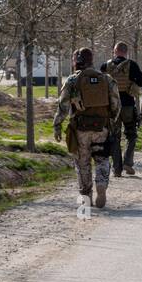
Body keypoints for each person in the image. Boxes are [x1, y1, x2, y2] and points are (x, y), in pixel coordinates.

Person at [53, 47, 121, 209]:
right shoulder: (106, 79)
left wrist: (57, 125)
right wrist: (110, 121)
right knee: (102, 159)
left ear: (75, 62)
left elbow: (62, 106)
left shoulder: (71, 81)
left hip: (80, 129)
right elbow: (116, 104)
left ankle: (86, 194)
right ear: (91, 60)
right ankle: (102, 184)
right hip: (101, 128)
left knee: (82, 163)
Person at [99, 41, 142, 177]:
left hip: (112, 108)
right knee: (131, 135)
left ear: (115, 51)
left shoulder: (105, 66)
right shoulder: (132, 65)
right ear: (126, 52)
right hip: (127, 106)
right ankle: (128, 162)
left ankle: (117, 169)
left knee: (114, 137)